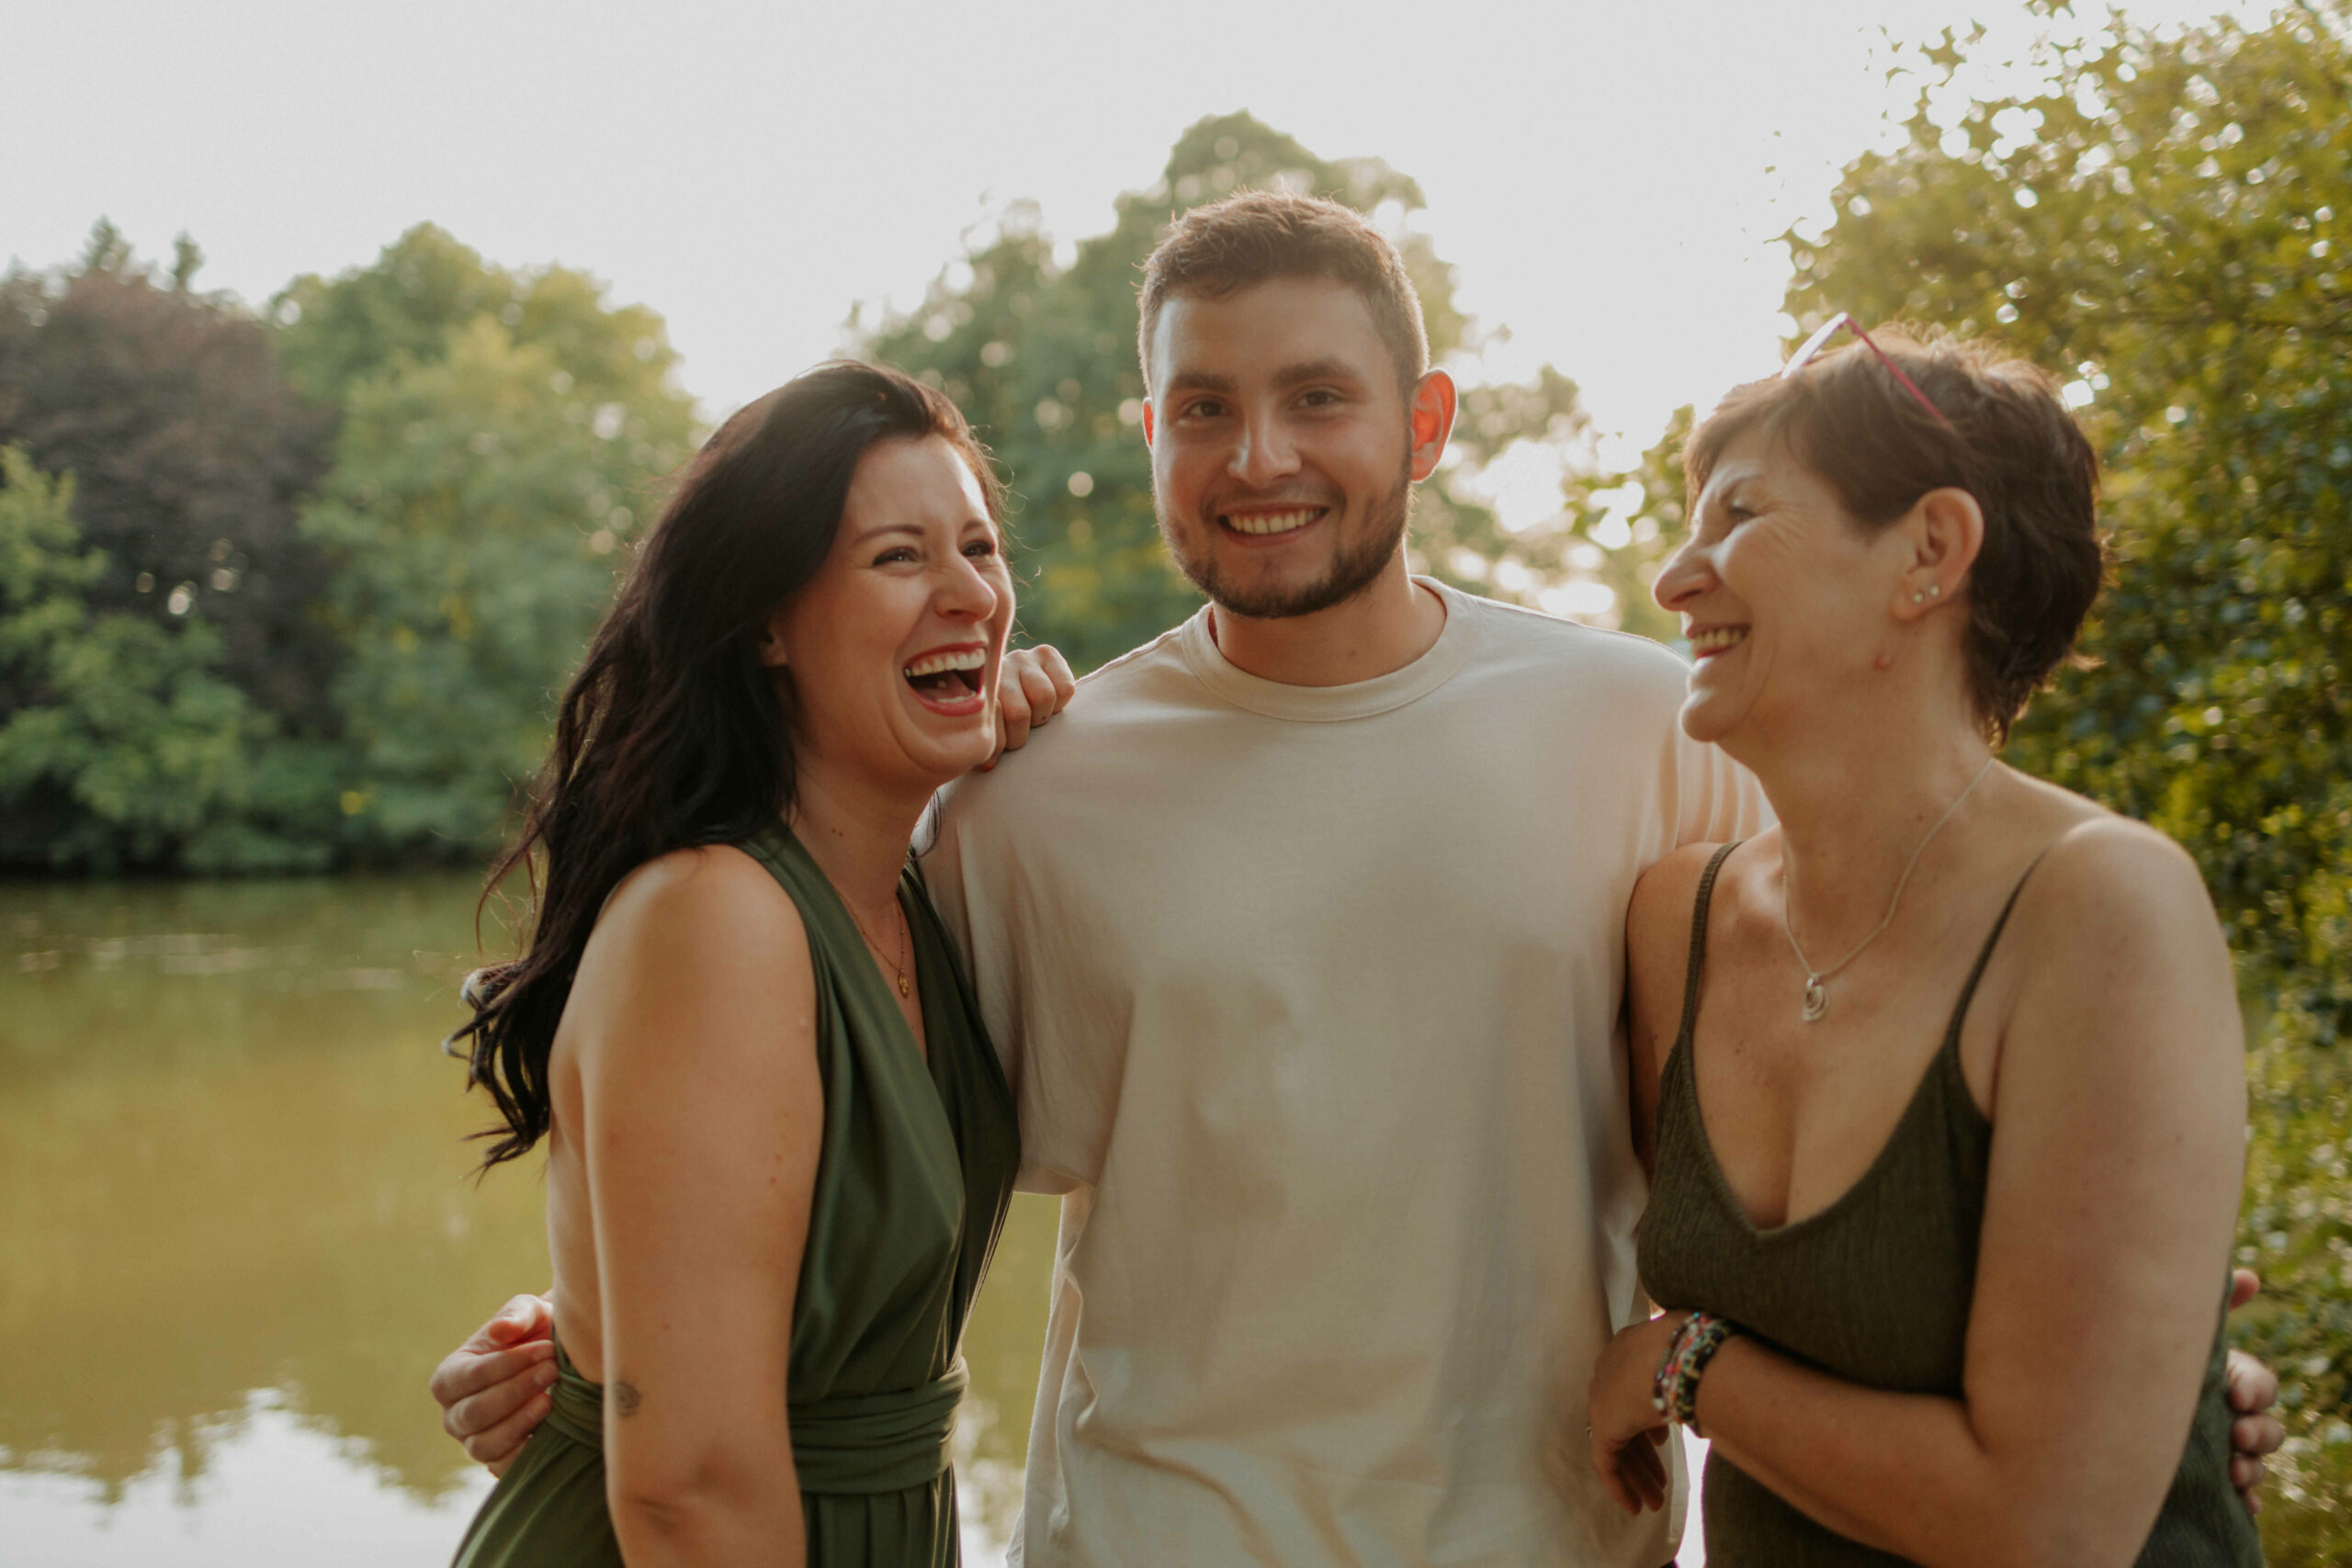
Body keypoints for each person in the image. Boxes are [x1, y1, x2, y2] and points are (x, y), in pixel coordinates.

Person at [435, 197, 2282, 1566]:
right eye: (1202, 407)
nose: (1259, 458)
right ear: (1145, 429)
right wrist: (572, 1347)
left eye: (1316, 396)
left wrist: (2146, 1395)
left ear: (1425, 421)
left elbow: (1856, 1097)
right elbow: (809, 1164)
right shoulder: (1018, 795)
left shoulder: (1666, 729)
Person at [1585, 323, 2264, 1565]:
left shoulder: (2100, 907)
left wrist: (1685, 1368)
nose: (1679, 576)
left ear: (1930, 553)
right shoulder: (1671, 923)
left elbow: (2051, 1530)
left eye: (1736, 516)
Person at [441, 361, 1072, 1568]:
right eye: (899, 557)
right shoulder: (716, 916)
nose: (969, 597)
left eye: (980, 550)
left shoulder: (909, 894)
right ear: (767, 622)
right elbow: (691, 1491)